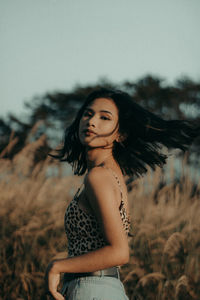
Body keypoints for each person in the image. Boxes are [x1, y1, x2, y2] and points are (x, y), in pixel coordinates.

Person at [45, 88, 199, 300]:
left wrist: (57, 266)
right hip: (100, 288)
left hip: (93, 289)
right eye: (88, 114)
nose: (91, 122)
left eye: (104, 117)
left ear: (120, 134)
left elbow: (119, 252)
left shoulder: (99, 176)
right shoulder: (111, 173)